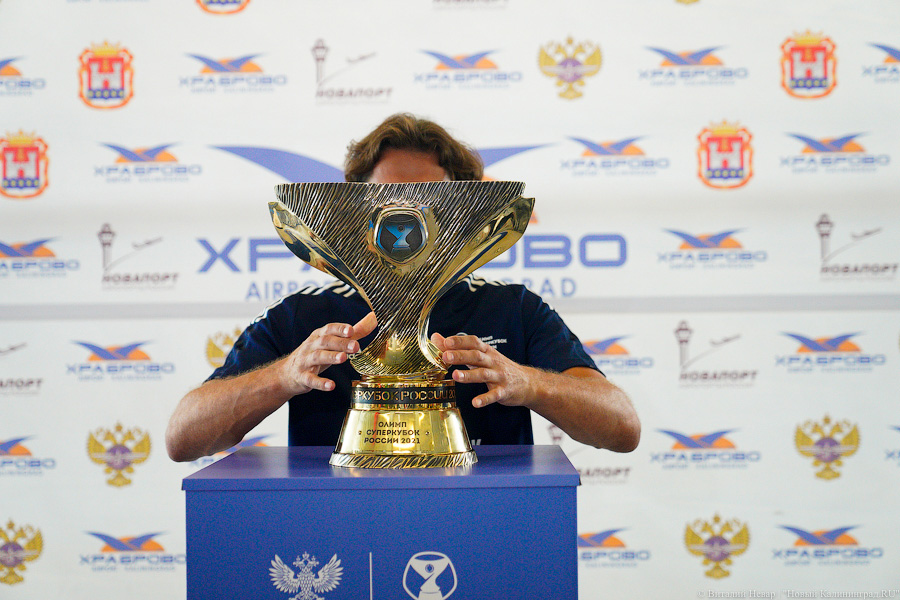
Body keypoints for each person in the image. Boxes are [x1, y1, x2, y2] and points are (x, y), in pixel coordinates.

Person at [165, 113, 640, 462]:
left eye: (430, 203)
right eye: (387, 202)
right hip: (338, 526)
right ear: (351, 214)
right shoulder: (302, 318)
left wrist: (528, 382)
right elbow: (184, 438)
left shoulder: (512, 309)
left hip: (484, 525)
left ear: (466, 214)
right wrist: (284, 375)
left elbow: (621, 427)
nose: (407, 221)